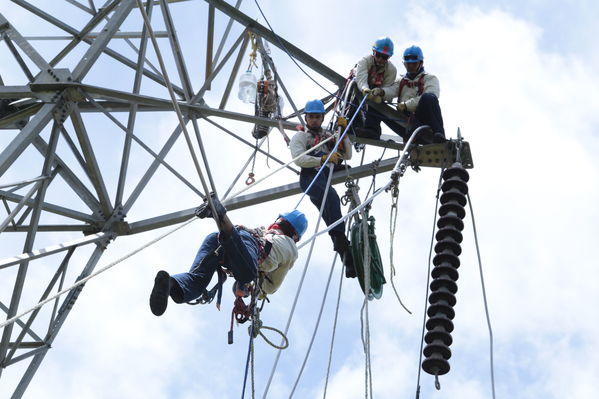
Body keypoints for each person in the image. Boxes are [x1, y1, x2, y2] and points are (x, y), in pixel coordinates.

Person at [149, 195, 307, 316]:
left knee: (197, 280)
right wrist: (251, 290)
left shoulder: (264, 233)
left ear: (278, 222)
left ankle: (169, 283)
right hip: (243, 242)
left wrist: (242, 286)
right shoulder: (291, 250)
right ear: (295, 236)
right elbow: (271, 286)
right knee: (247, 273)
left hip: (221, 240)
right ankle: (220, 213)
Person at [289, 99, 356, 278]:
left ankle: (346, 256)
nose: (314, 120)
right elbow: (298, 159)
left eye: (318, 117)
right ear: (306, 118)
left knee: (330, 216)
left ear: (322, 117)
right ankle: (341, 242)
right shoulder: (301, 137)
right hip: (310, 177)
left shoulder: (329, 136)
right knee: (332, 197)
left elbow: (347, 155)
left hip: (324, 176)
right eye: (311, 117)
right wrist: (322, 159)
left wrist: (345, 134)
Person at [387, 45, 446, 144]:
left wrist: (406, 105)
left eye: (413, 64)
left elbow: (432, 95)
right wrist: (380, 92)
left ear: (421, 63)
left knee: (429, 98)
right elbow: (391, 90)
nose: (410, 67)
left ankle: (439, 134)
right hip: (404, 122)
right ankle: (371, 130)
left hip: (423, 119)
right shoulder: (401, 81)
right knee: (375, 105)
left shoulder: (430, 79)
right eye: (407, 64)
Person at [352, 36, 403, 139]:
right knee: (354, 96)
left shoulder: (391, 70)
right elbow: (361, 79)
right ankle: (351, 127)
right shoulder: (365, 61)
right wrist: (365, 89)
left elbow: (388, 88)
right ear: (373, 52)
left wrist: (381, 92)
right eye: (378, 55)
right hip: (360, 88)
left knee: (377, 103)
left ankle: (372, 131)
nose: (380, 59)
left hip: (376, 94)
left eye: (384, 57)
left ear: (389, 58)